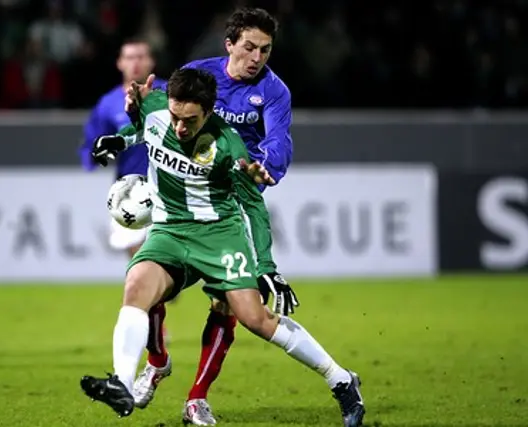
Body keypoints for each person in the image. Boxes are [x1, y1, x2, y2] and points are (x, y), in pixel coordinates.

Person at [80, 68, 365, 427]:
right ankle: (122, 383)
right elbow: (144, 129)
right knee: (136, 285)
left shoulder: (228, 146)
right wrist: (119, 140)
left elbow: (255, 206)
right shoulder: (155, 107)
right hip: (170, 229)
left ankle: (340, 379)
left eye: (190, 120)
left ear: (210, 112)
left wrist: (266, 266)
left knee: (256, 320)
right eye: (175, 117)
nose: (180, 127)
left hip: (219, 234)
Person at [128, 8, 300, 425]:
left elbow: (278, 142)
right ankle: (157, 360)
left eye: (265, 49)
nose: (257, 57)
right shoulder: (197, 75)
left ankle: (197, 397)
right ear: (230, 44)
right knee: (149, 283)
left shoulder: (275, 92)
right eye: (249, 47)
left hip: (234, 201)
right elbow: (163, 116)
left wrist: (264, 167)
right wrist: (135, 112)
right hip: (186, 197)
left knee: (228, 304)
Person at [79, 38, 166, 257]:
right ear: (119, 63)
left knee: (167, 264)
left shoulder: (170, 94)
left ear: (151, 62)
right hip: (132, 190)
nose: (135, 63)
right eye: (129, 57)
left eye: (141, 56)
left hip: (171, 187)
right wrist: (94, 157)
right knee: (139, 261)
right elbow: (93, 142)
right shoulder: (108, 103)